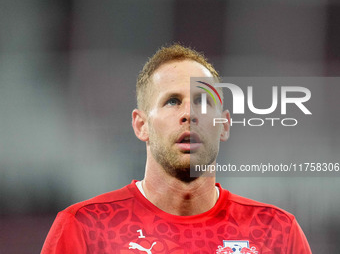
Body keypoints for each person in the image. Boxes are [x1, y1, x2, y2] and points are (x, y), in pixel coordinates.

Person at [41, 44, 311, 254]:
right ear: (141, 125)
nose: (189, 114)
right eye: (172, 101)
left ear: (224, 126)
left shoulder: (276, 231)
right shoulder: (83, 227)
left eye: (203, 101)